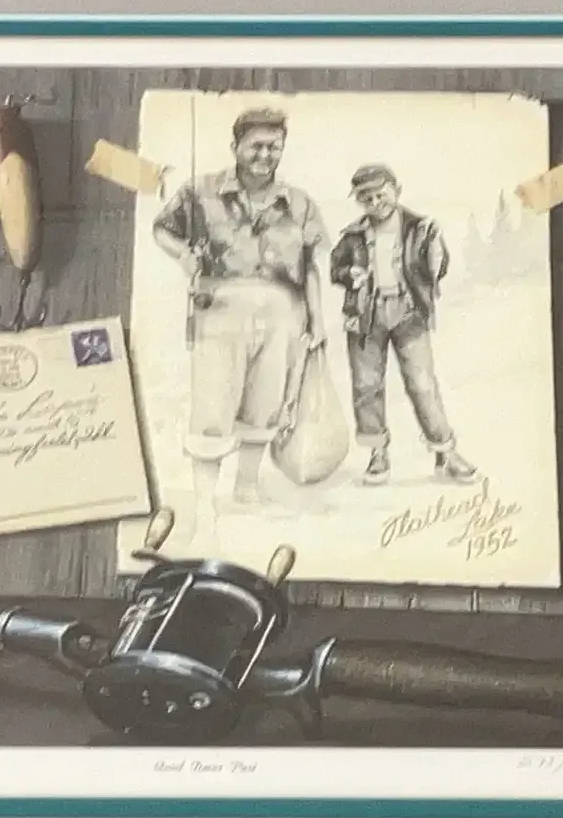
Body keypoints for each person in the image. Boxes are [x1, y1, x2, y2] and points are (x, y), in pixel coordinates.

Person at [151, 106, 331, 539]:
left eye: (274, 147)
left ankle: (246, 488)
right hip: (219, 309)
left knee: (264, 403)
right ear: (235, 146)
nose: (265, 155)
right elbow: (162, 229)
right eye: (256, 146)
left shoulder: (300, 203)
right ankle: (204, 506)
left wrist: (317, 319)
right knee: (212, 406)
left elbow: (310, 265)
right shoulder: (200, 191)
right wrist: (182, 254)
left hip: (283, 313)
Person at [329, 163, 478, 485]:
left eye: (380, 194)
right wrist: (348, 275)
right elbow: (335, 269)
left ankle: (445, 453)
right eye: (366, 198)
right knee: (366, 386)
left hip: (409, 314)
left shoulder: (420, 228)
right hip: (365, 317)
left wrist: (435, 248)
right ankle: (377, 453)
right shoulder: (353, 235)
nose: (375, 203)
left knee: (422, 385)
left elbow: (438, 268)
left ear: (396, 190)